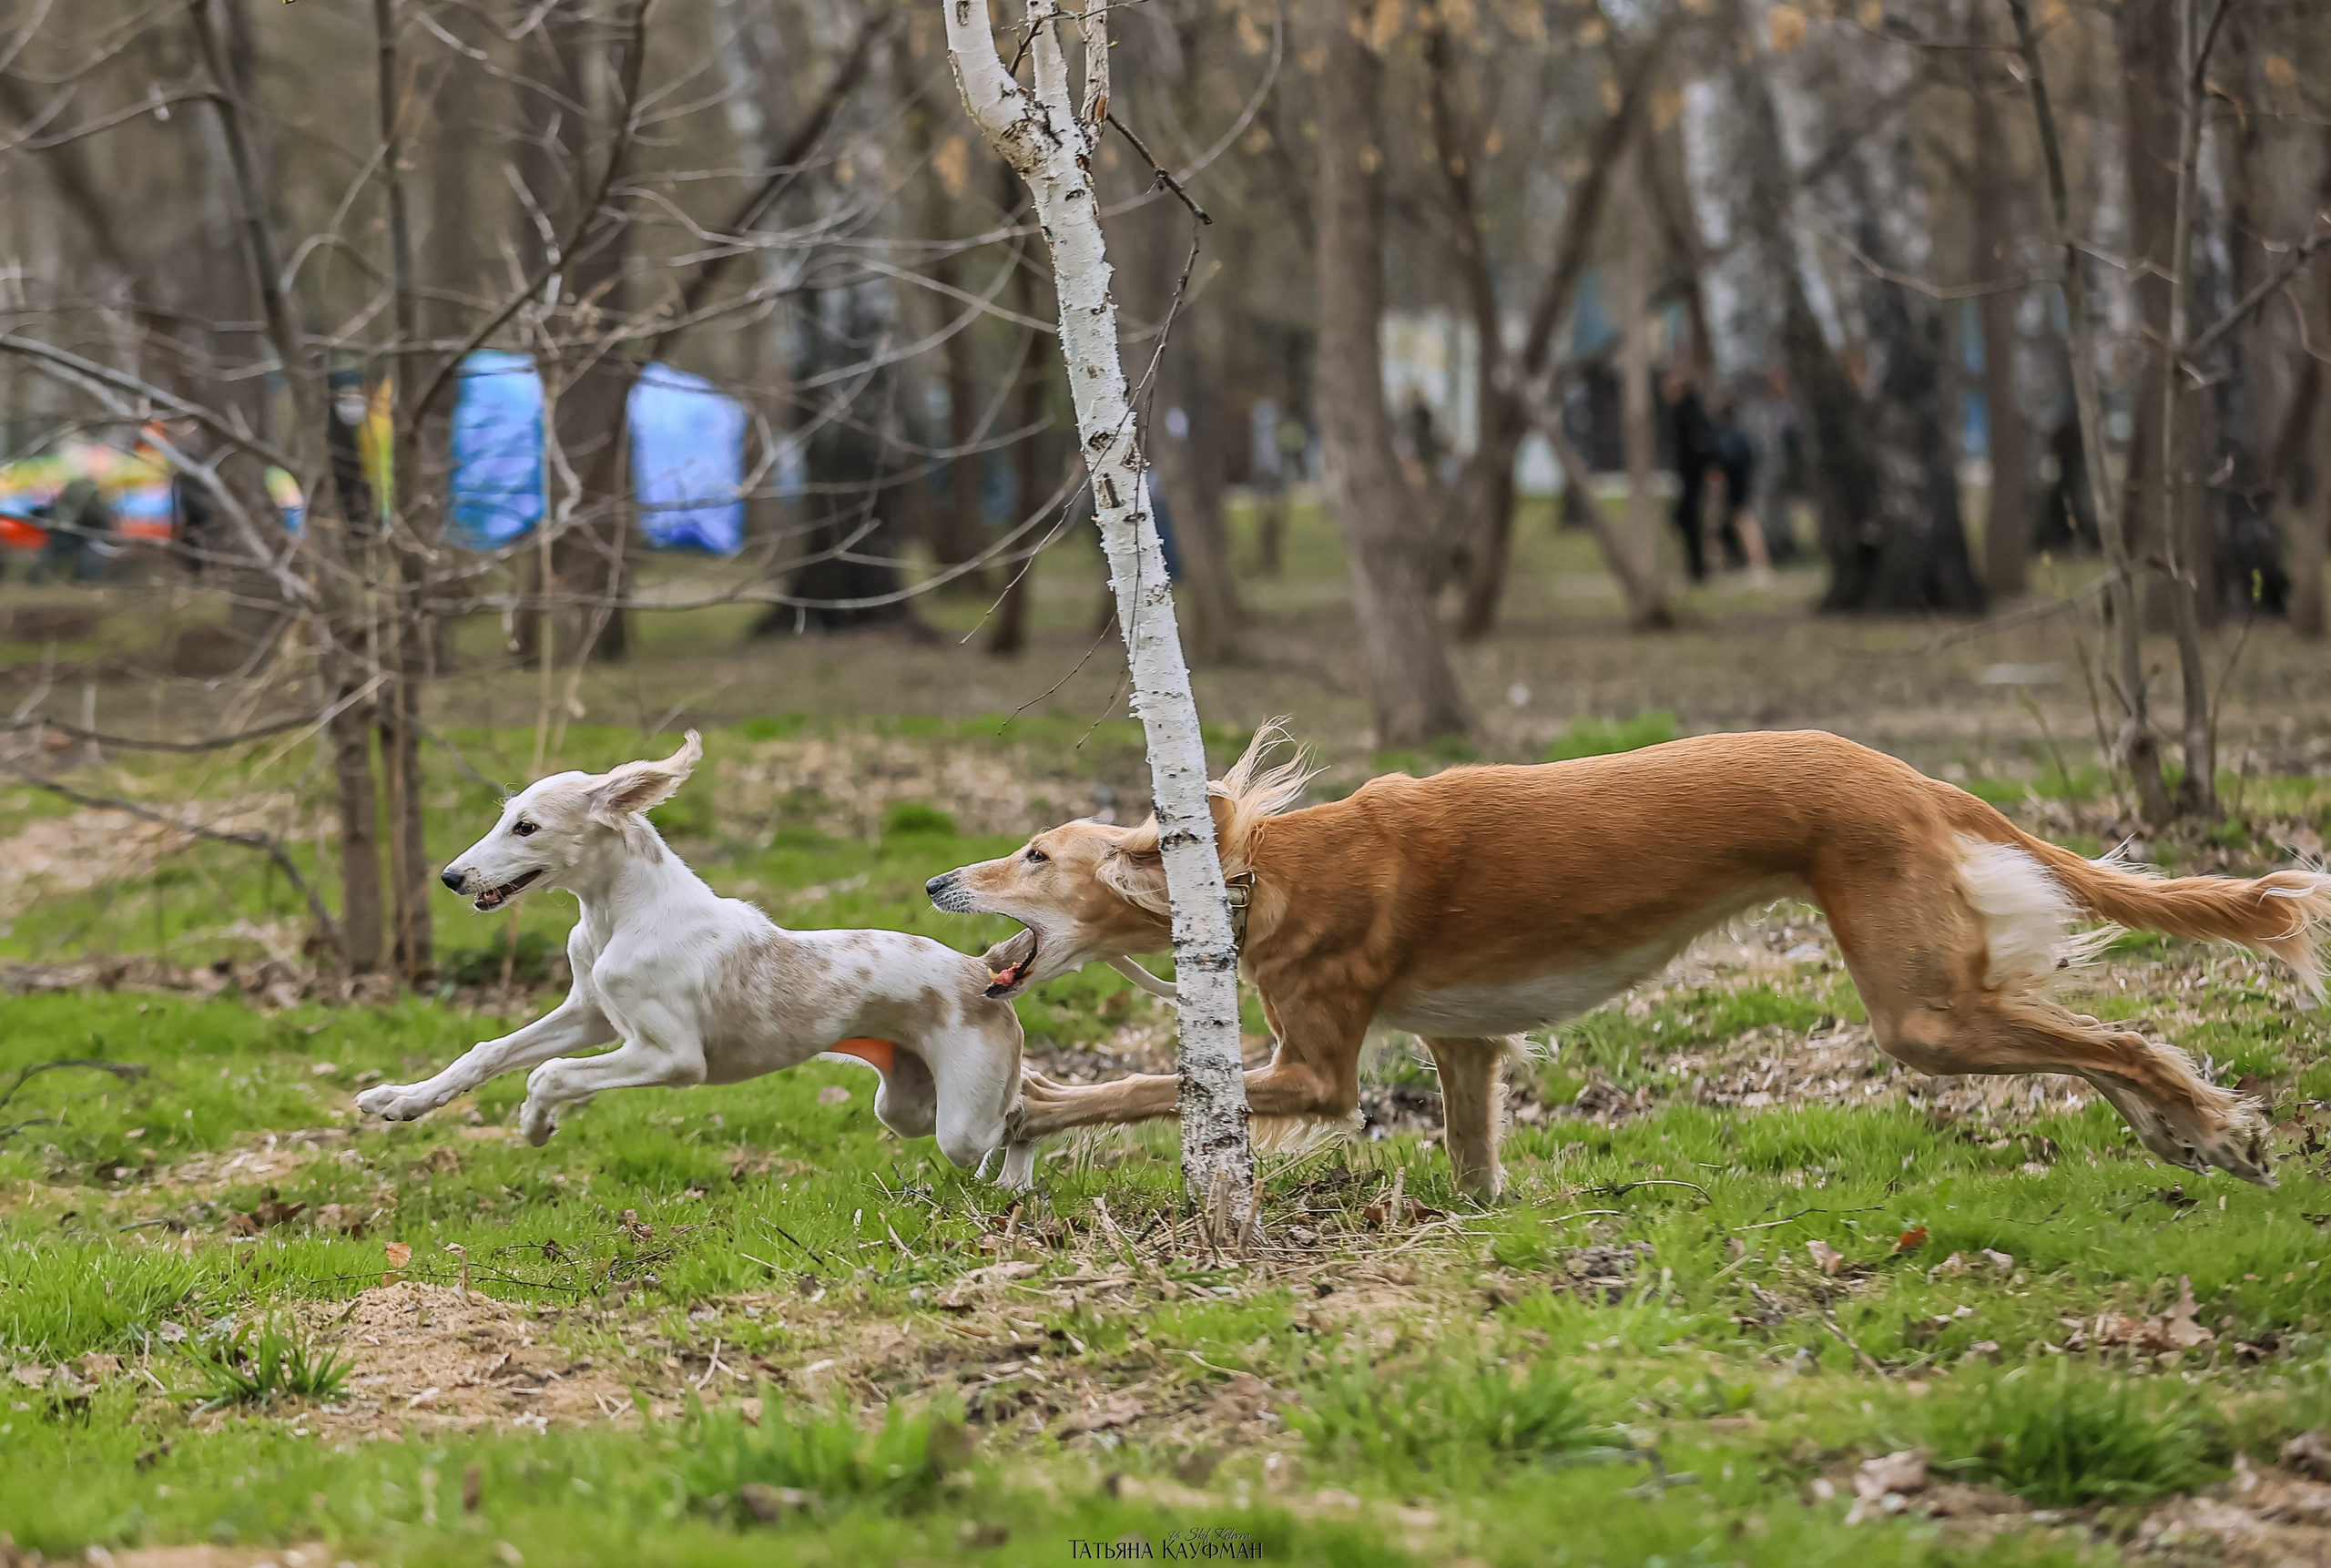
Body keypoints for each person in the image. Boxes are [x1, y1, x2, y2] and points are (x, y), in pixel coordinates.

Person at [1664, 367, 1725, 581]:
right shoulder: (1686, 408)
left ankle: (1698, 568)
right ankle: (1696, 566)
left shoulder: (1687, 409)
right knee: (1687, 519)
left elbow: (1701, 442)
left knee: (1687, 518)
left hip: (1693, 474)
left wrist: (1711, 467)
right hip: (1690, 474)